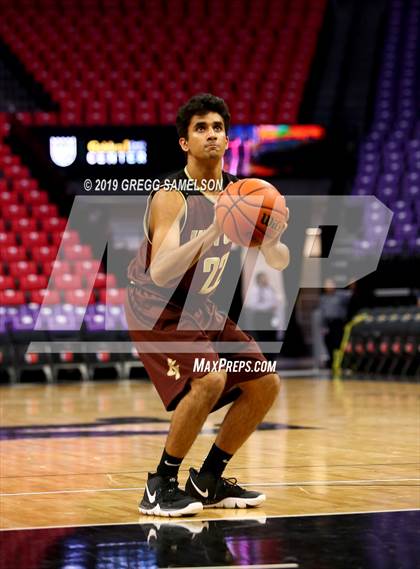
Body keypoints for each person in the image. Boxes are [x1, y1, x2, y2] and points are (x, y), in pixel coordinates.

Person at [125, 93, 290, 517]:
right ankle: (160, 485)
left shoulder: (243, 192)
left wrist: (271, 239)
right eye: (200, 128)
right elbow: (161, 271)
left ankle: (208, 479)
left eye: (217, 127)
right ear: (184, 142)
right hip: (157, 308)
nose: (211, 135)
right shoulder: (171, 196)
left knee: (265, 383)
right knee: (211, 379)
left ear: (228, 138)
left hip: (200, 307)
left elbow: (279, 260)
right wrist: (212, 228)